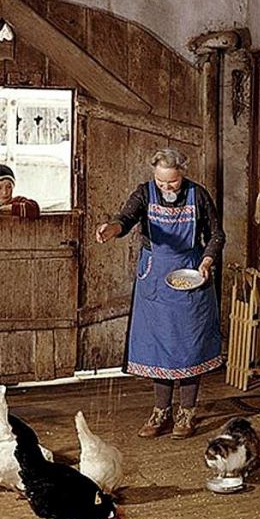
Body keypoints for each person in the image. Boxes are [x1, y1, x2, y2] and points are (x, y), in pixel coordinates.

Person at [96, 148, 225, 439]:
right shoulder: (144, 193)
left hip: (191, 274)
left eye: (173, 182)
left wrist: (206, 261)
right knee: (159, 346)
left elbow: (216, 235)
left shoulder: (198, 195)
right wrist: (111, 229)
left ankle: (186, 413)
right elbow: (125, 218)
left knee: (190, 346)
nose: (166, 187)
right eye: (161, 181)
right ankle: (161, 412)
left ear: (183, 174)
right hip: (155, 278)